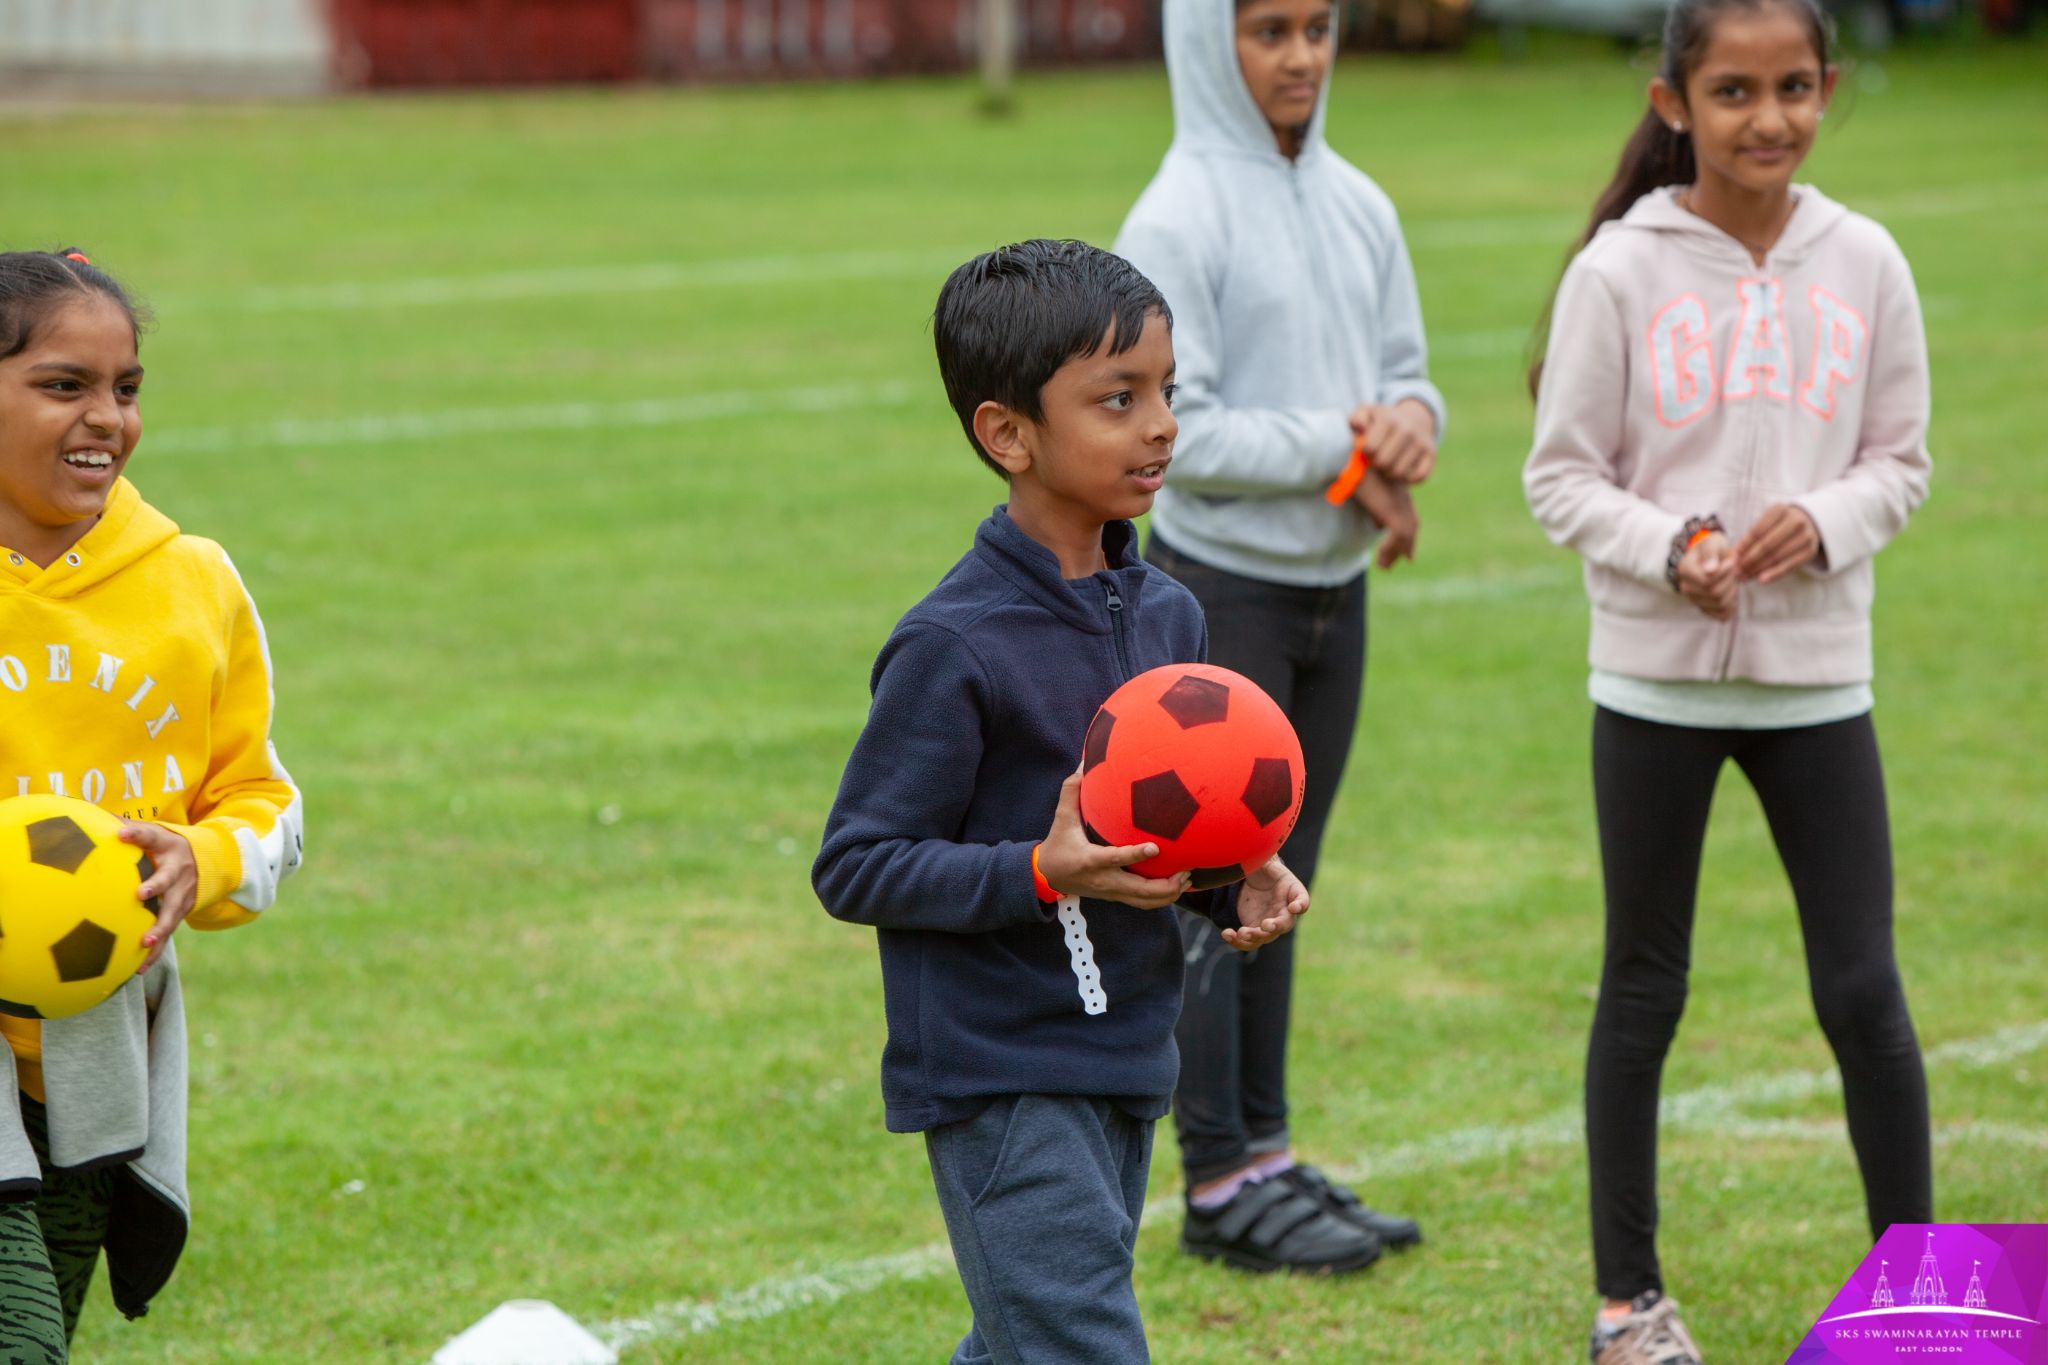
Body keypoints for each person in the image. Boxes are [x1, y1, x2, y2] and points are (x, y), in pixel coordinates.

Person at [1522, 0, 1934, 1355]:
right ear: (1674, 104)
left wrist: (1825, 521)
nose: (1771, 118)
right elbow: (1562, 475)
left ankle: (1925, 1303)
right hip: (1655, 687)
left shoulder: (1867, 260)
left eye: (1797, 87)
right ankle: (1628, 1305)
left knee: (1863, 990)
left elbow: (1901, 460)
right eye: (1738, 90)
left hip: (1820, 682)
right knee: (1644, 987)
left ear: (1828, 91)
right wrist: (1670, 546)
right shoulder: (1619, 273)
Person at [813, 238, 1308, 1363]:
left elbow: (1154, 835)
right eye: (1117, 399)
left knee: (1024, 1340)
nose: (1161, 424)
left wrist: (1235, 870)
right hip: (1001, 1069)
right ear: (1007, 434)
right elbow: (857, 864)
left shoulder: (1169, 617)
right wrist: (1038, 872)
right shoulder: (953, 644)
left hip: (1128, 1052)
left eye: (1167, 392)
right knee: (1078, 1342)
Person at [1111, 0, 1439, 1274]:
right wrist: (1348, 453)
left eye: (1314, 26)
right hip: (1223, 593)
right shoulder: (1177, 215)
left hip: (1329, 597)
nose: (1299, 55)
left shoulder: (1358, 202)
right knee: (1215, 888)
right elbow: (1176, 428)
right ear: (1207, 43)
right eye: (1266, 31)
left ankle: (1269, 1149)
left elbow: (1407, 372)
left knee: (1286, 877)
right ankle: (1215, 1182)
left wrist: (1410, 428)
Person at [0, 248, 305, 1358]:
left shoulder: (194, 585)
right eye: (62, 384)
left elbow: (262, 799)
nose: (107, 418)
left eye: (125, 388)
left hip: (92, 1061)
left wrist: (202, 859)